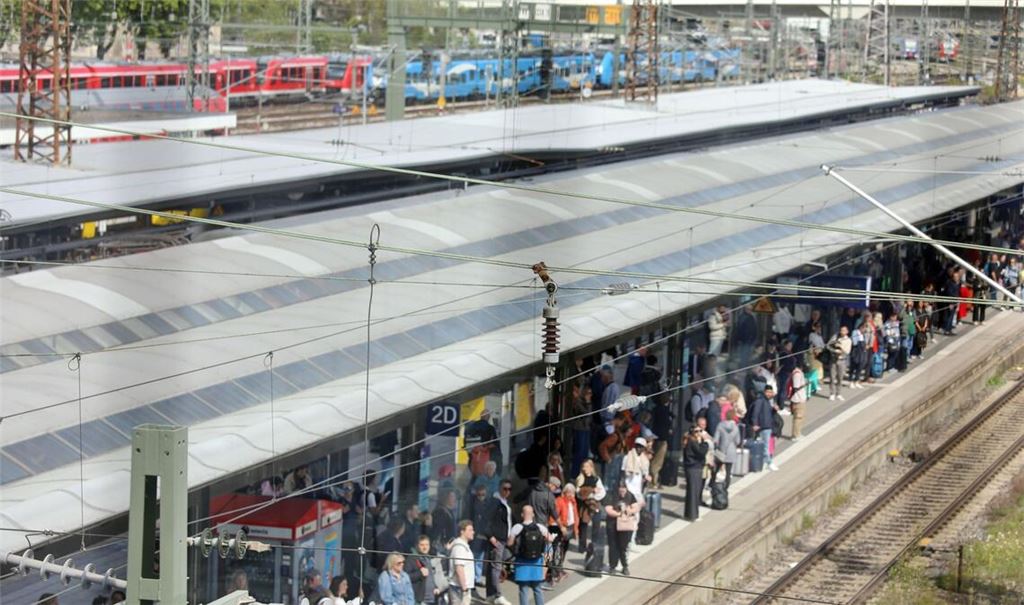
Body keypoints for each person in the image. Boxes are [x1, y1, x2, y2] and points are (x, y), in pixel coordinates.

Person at [508, 505, 554, 604]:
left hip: (522, 563)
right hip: (536, 562)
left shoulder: (517, 527)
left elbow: (510, 543)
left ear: (522, 515)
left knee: (523, 590)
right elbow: (550, 539)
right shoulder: (540, 527)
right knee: (537, 589)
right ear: (533, 514)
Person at [483, 480, 514, 605]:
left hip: (502, 539)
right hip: (497, 539)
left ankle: (491, 595)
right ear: (499, 488)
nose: (507, 491)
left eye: (509, 489)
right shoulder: (495, 502)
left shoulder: (504, 502)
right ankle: (497, 595)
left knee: (493, 567)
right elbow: (485, 520)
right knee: (496, 567)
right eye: (505, 489)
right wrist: (490, 536)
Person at [603, 482, 639, 575]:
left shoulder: (630, 495)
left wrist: (629, 511)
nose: (622, 490)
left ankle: (625, 566)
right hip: (612, 524)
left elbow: (636, 507)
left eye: (624, 488)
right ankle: (612, 566)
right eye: (620, 487)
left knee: (623, 546)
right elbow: (608, 509)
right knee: (613, 546)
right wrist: (619, 514)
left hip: (625, 525)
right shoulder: (611, 495)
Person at [405, 535, 448, 605]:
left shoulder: (428, 558)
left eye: (427, 545)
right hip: (420, 600)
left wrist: (436, 587)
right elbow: (406, 577)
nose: (425, 547)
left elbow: (431, 577)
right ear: (417, 546)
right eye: (422, 545)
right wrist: (419, 573)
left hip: (432, 598)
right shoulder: (411, 559)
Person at [575, 458, 606, 553]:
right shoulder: (580, 479)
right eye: (583, 466)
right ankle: (582, 547)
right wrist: (591, 491)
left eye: (587, 466)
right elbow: (578, 493)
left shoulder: (596, 479)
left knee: (596, 524)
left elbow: (602, 492)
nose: (585, 468)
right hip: (584, 505)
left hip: (594, 504)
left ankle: (594, 545)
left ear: (591, 468)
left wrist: (592, 496)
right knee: (583, 526)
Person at [747, 384, 779, 472]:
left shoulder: (767, 401)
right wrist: (755, 424)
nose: (769, 394)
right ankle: (769, 462)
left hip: (767, 425)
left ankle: (765, 462)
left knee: (765, 445)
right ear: (764, 392)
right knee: (765, 446)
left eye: (771, 392)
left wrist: (774, 410)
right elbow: (755, 412)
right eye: (768, 392)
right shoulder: (760, 400)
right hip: (763, 426)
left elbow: (767, 413)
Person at [682, 423, 709, 520]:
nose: (699, 433)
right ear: (692, 432)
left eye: (700, 431)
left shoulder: (692, 441)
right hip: (694, 468)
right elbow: (701, 452)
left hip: (693, 468)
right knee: (694, 492)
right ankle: (693, 515)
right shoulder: (692, 442)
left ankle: (689, 514)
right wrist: (705, 442)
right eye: (696, 431)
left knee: (692, 492)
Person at [555, 482, 580, 577]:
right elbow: (556, 515)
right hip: (562, 528)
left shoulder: (573, 502)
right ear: (564, 492)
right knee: (559, 549)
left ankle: (560, 567)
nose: (571, 494)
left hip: (570, 527)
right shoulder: (559, 501)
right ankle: (557, 569)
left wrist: (576, 530)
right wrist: (561, 526)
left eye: (572, 492)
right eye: (568, 492)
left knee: (565, 548)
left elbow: (576, 515)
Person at [448, 521, 476, 605]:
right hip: (459, 588)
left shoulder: (463, 546)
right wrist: (464, 588)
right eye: (470, 530)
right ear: (462, 531)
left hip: (461, 587)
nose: (473, 532)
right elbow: (459, 568)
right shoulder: (460, 547)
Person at [713, 410, 742, 489]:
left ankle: (712, 485)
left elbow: (715, 439)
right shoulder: (735, 427)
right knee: (728, 471)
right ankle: (725, 488)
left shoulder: (720, 425)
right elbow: (738, 441)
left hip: (721, 451)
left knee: (716, 469)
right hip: (731, 451)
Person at [620, 436, 651, 504]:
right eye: (637, 446)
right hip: (628, 484)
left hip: (639, 486)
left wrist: (646, 479)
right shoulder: (627, 457)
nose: (639, 448)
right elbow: (622, 473)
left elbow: (645, 474)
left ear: (644, 448)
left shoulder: (645, 460)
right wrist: (622, 486)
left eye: (641, 446)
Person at [826, 326, 852, 401]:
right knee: (832, 376)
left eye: (844, 330)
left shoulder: (848, 340)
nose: (842, 332)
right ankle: (832, 393)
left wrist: (840, 347)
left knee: (840, 378)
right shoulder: (835, 337)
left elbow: (847, 351)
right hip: (833, 359)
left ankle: (838, 393)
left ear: (847, 331)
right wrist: (834, 350)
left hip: (842, 360)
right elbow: (828, 345)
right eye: (841, 330)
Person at [788, 363, 809, 440]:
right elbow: (796, 387)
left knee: (800, 417)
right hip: (798, 399)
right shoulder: (797, 374)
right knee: (798, 418)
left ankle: (798, 433)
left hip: (800, 398)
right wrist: (805, 384)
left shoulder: (798, 373)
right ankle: (795, 435)